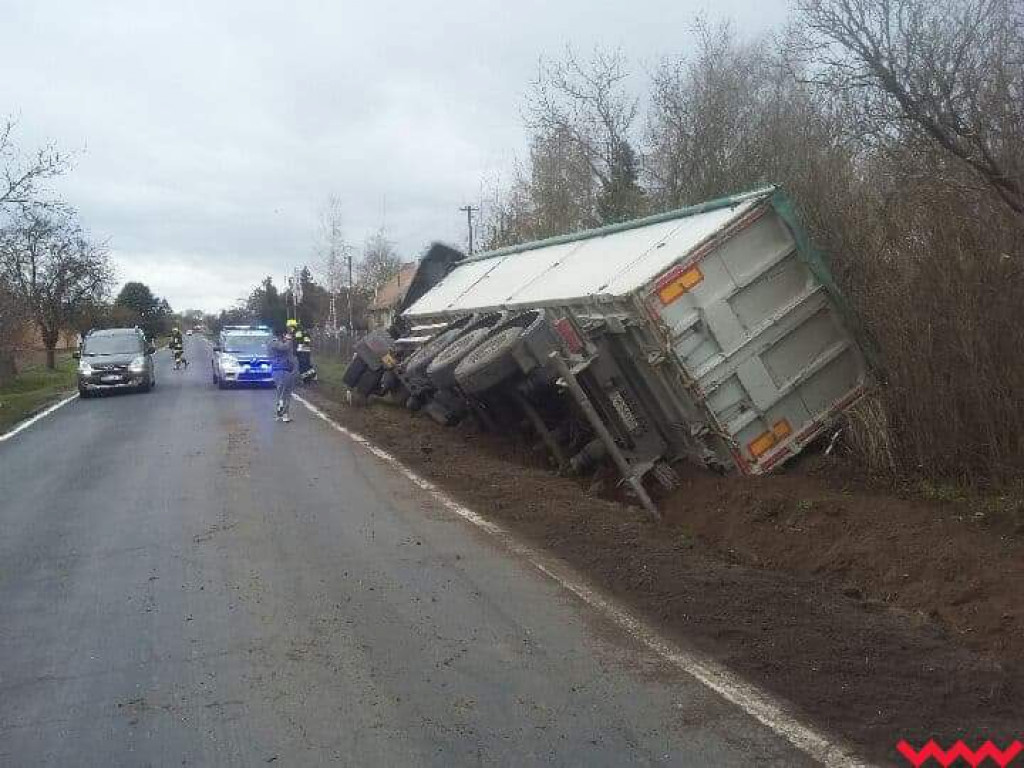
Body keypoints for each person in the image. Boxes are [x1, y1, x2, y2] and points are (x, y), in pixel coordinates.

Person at [268, 327, 298, 422]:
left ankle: (282, 413)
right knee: (283, 393)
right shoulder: (274, 342)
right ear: (281, 334)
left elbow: (290, 352)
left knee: (285, 394)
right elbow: (284, 348)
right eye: (284, 334)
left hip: (285, 370)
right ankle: (283, 414)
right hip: (280, 370)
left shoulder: (279, 342)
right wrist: (289, 338)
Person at [288, 318, 315, 383]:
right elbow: (306, 341)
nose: (289, 329)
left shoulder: (298, 332)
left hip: (302, 351)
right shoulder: (301, 331)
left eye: (289, 327)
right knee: (307, 365)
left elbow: (297, 342)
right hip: (305, 350)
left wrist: (295, 351)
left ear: (292, 326)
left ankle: (306, 380)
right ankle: (312, 377)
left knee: (303, 366)